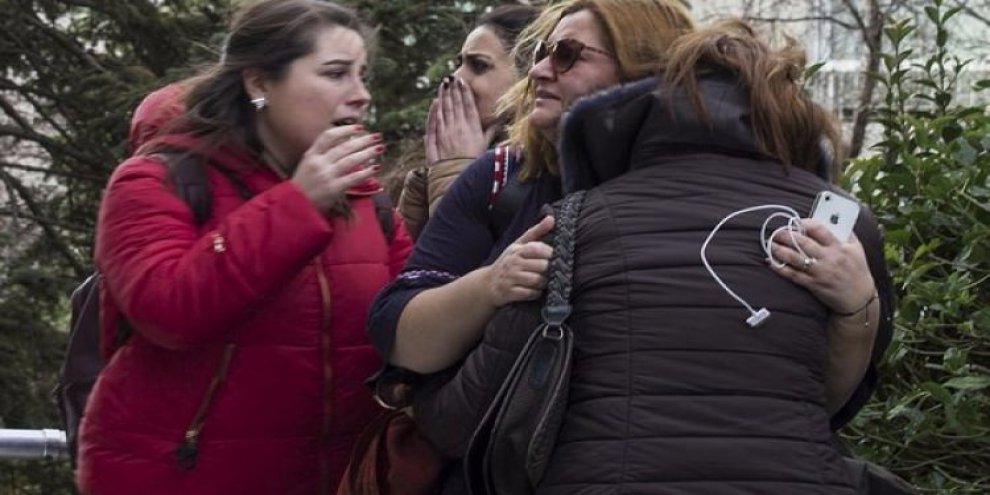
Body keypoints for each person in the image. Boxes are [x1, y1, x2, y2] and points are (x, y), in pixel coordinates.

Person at [409, 18, 894, 493]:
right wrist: (860, 308)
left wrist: (417, 398)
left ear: (643, 100)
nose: (541, 70)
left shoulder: (573, 222)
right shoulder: (837, 234)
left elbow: (463, 415)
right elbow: (826, 403)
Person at [76, 1, 412, 494]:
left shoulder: (366, 200)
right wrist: (298, 204)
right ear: (258, 83)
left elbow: (406, 323)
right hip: (177, 479)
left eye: (363, 75)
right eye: (336, 73)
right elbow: (169, 312)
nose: (361, 95)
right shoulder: (156, 180)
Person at [397, 4, 539, 239]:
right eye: (459, 64)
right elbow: (410, 259)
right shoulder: (431, 169)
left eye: (479, 65)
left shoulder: (543, 173)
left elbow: (459, 255)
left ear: (528, 77)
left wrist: (454, 175)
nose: (456, 77)